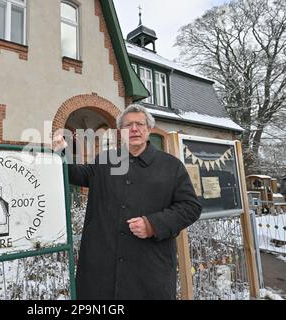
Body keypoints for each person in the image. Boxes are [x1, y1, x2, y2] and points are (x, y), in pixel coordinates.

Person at [53, 104, 202, 300]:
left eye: (139, 124)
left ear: (149, 129)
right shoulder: (105, 160)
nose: (134, 129)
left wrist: (152, 225)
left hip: (149, 271)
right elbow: (75, 174)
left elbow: (190, 207)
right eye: (127, 125)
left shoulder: (171, 166)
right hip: (101, 271)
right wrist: (61, 154)